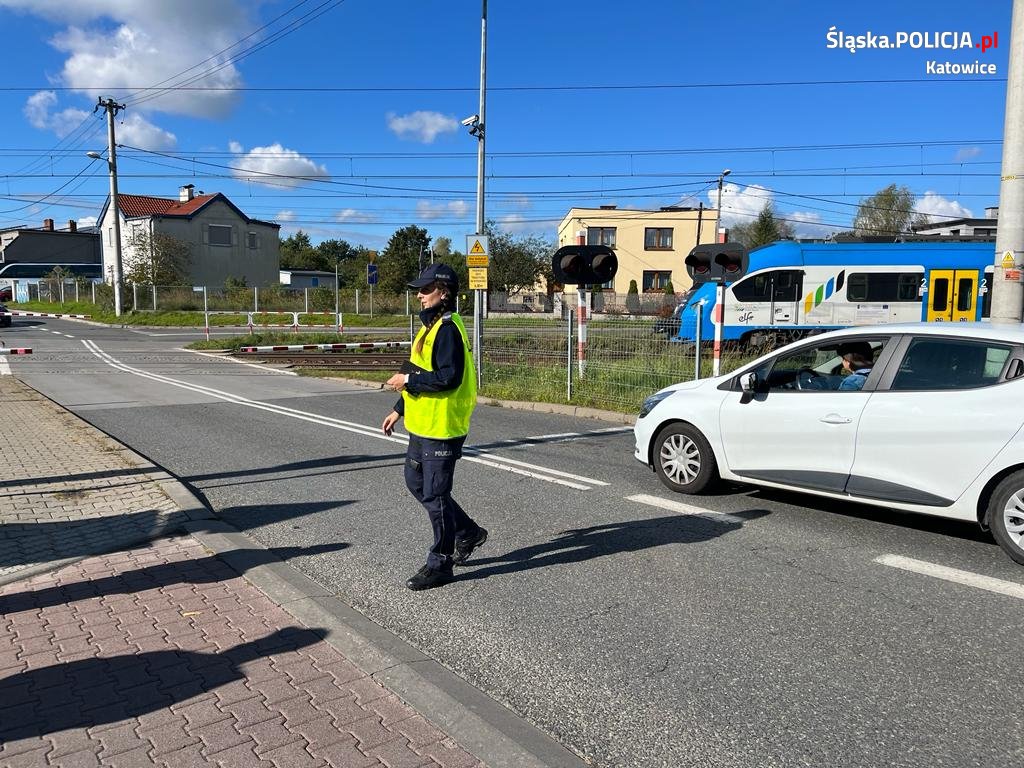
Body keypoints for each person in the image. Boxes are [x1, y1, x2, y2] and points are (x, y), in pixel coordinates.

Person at [381, 263, 488, 591]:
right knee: (416, 482)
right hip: (421, 424)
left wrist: (407, 380)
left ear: (444, 292)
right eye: (419, 289)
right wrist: (399, 408)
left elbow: (448, 377)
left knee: (436, 494)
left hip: (442, 427)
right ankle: (467, 531)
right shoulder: (428, 327)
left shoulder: (447, 329)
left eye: (425, 290)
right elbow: (417, 367)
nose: (419, 295)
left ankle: (440, 564)